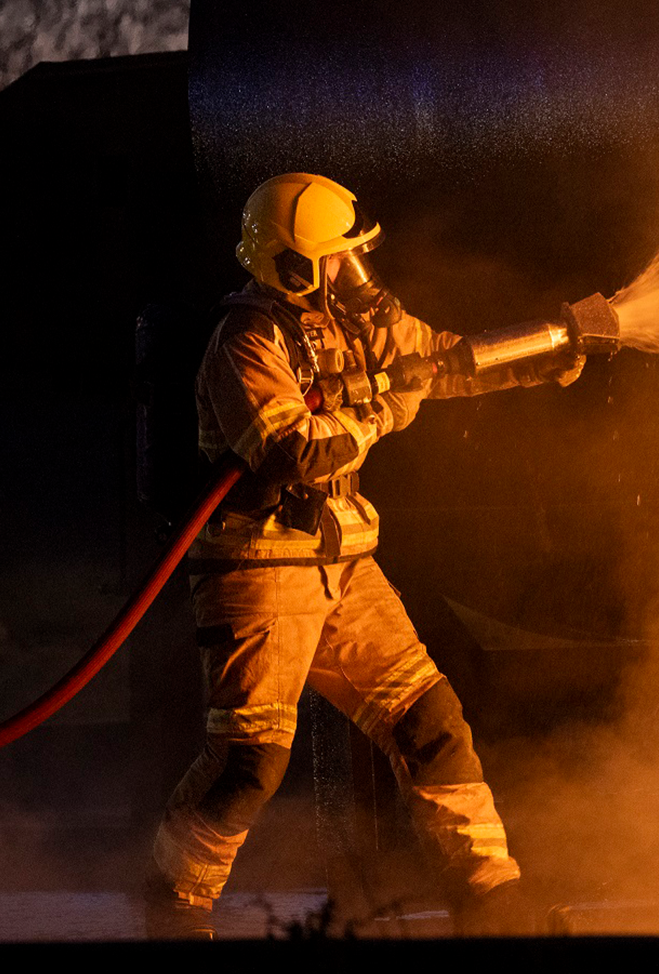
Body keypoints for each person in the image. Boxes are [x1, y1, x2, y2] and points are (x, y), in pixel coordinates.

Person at [145, 173, 583, 939]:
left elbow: (447, 359)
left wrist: (551, 347)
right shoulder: (246, 342)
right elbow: (291, 452)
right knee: (249, 765)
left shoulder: (343, 323)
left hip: (344, 563)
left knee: (430, 721)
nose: (356, 276)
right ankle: (174, 908)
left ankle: (490, 903)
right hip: (259, 570)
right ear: (292, 263)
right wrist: (384, 404)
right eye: (338, 261)